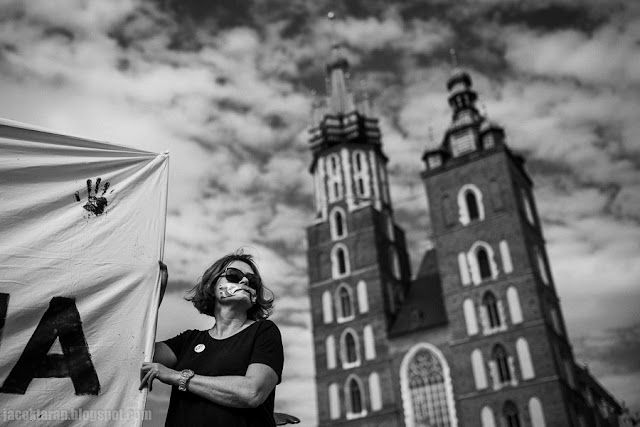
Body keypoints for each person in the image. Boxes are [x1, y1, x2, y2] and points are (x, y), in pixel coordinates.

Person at [140, 251, 296, 426]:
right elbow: (136, 354)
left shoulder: (264, 332)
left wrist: (178, 377)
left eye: (252, 281)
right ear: (211, 286)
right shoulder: (189, 340)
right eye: (234, 276)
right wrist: (153, 297)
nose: (245, 281)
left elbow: (252, 392)